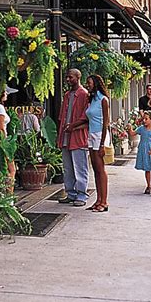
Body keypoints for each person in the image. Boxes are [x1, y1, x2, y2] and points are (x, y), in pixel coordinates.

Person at [57, 69, 90, 207]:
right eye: (66, 77)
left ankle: (81, 195)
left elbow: (86, 117)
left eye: (70, 77)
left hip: (78, 137)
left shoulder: (84, 94)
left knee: (80, 167)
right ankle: (70, 193)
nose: (68, 79)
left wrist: (73, 126)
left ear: (78, 77)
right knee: (68, 168)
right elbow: (61, 117)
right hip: (65, 136)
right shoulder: (67, 95)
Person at [84, 74, 110, 213]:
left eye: (89, 82)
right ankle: (98, 200)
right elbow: (88, 119)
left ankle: (104, 202)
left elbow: (106, 122)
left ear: (96, 83)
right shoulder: (92, 99)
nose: (88, 85)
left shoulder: (103, 100)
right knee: (95, 169)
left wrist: (101, 144)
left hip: (100, 135)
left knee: (101, 169)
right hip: (91, 134)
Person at [132, 110, 151, 197]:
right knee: (147, 168)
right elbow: (133, 133)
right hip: (143, 149)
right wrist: (130, 128)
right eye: (144, 119)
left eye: (146, 119)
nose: (144, 120)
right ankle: (148, 185)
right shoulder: (141, 128)